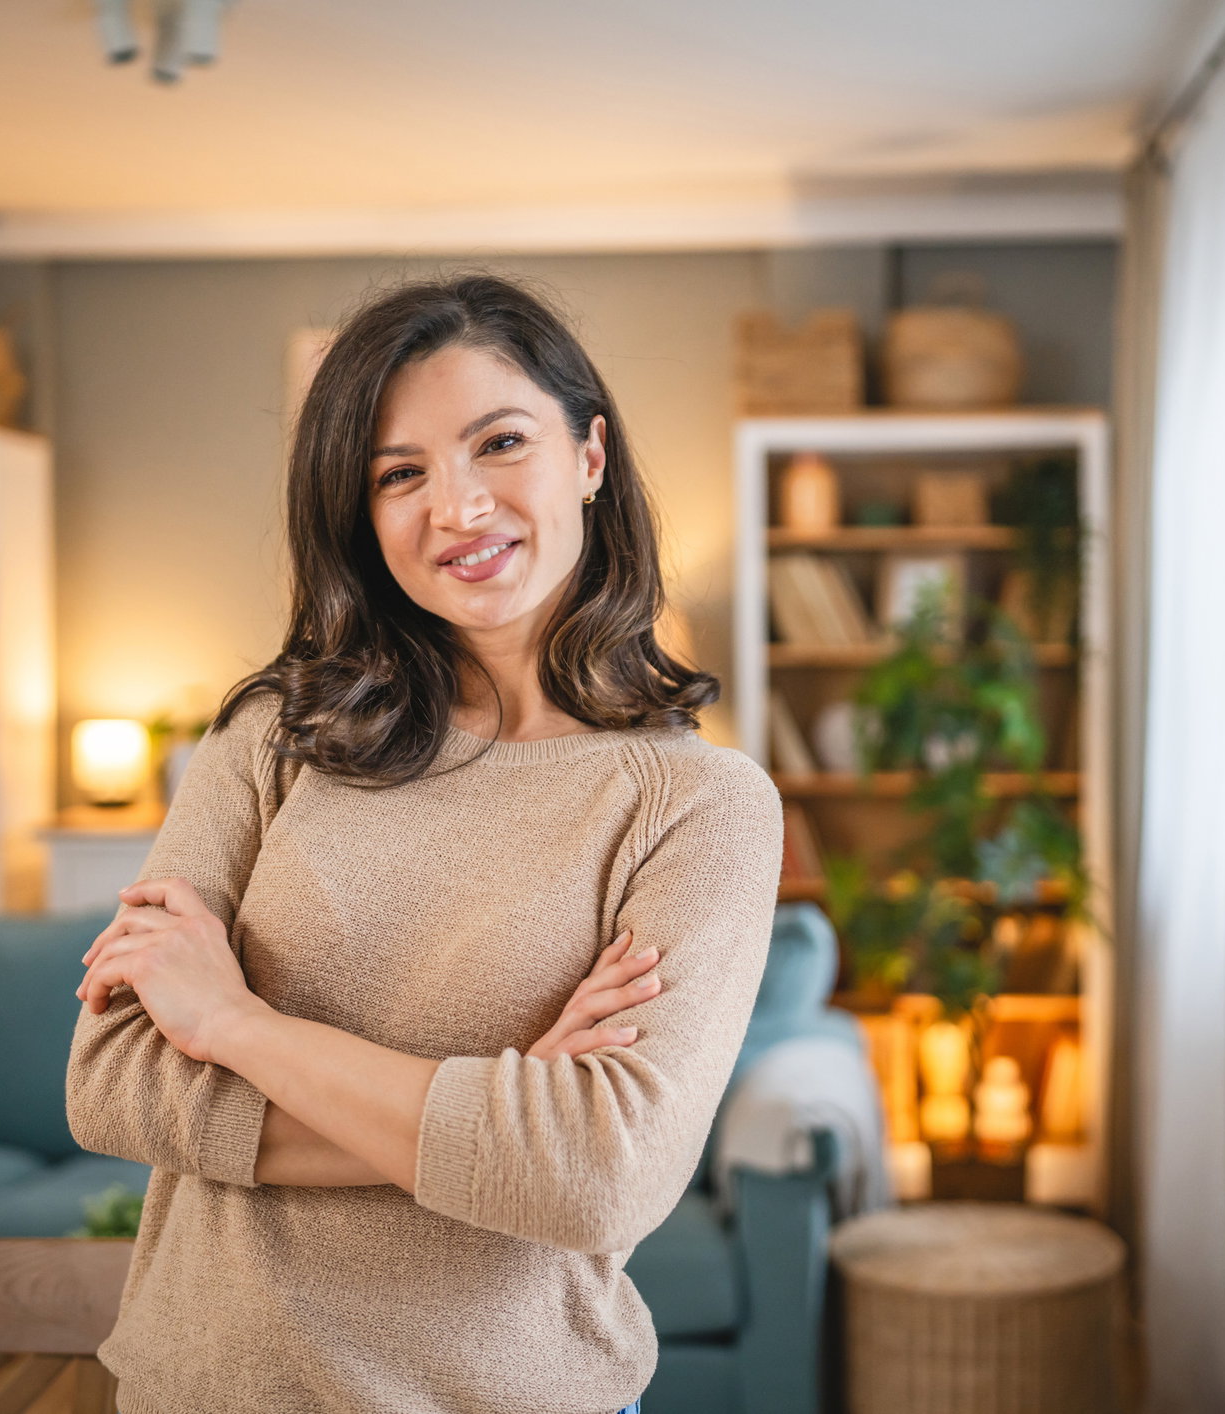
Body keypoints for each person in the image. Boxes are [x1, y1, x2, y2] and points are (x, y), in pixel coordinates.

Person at [65, 272, 784, 1414]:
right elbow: (111, 1083)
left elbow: (600, 1176)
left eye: (499, 443)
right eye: (398, 474)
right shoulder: (276, 737)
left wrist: (235, 1026)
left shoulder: (698, 806)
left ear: (589, 455)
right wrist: (508, 1102)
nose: (457, 508)